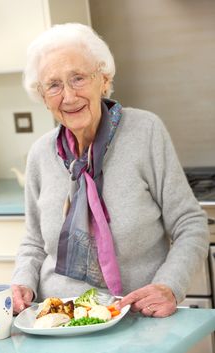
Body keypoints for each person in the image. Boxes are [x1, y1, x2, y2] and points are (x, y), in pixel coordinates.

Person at [12, 23, 209, 318]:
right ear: (43, 96)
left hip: (134, 315)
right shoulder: (41, 154)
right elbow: (34, 241)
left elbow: (191, 224)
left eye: (78, 78)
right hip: (56, 320)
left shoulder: (145, 132)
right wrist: (22, 282)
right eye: (53, 85)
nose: (67, 96)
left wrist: (169, 285)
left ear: (103, 79)